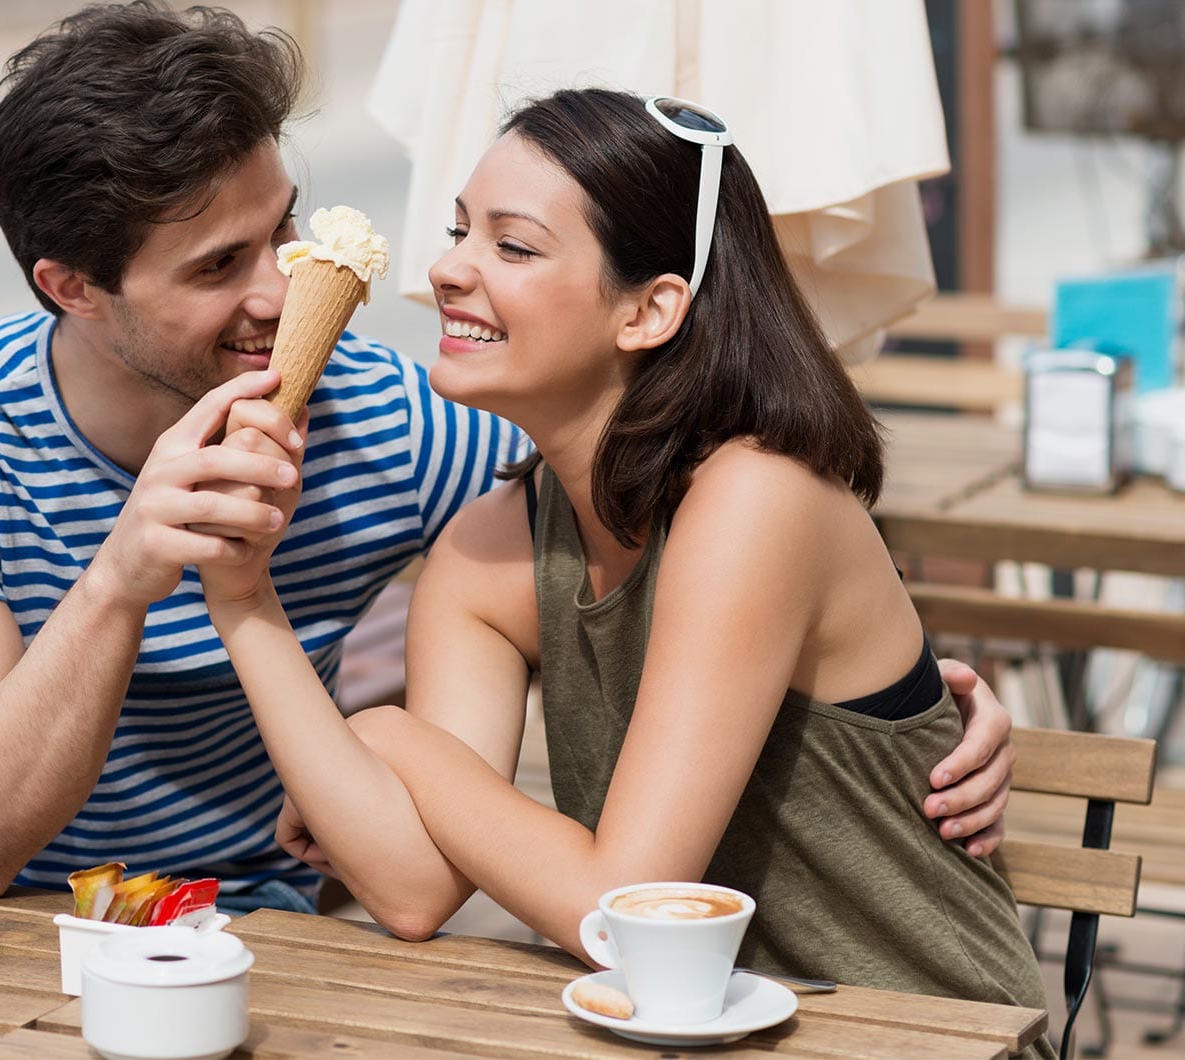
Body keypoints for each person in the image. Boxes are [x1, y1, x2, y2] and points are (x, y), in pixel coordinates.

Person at [0, 3, 1018, 916]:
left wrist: (915, 684)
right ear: (72, 288)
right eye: (213, 268)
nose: (279, 291)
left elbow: (662, 475)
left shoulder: (403, 430)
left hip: (257, 933)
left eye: (281, 229)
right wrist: (125, 574)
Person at [195, 87, 1050, 1041]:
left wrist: (389, 735)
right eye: (458, 231)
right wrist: (241, 601)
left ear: (649, 310)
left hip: (925, 1035)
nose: (446, 270)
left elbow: (624, 908)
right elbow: (412, 888)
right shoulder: (490, 547)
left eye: (511, 247)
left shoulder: (755, 497)